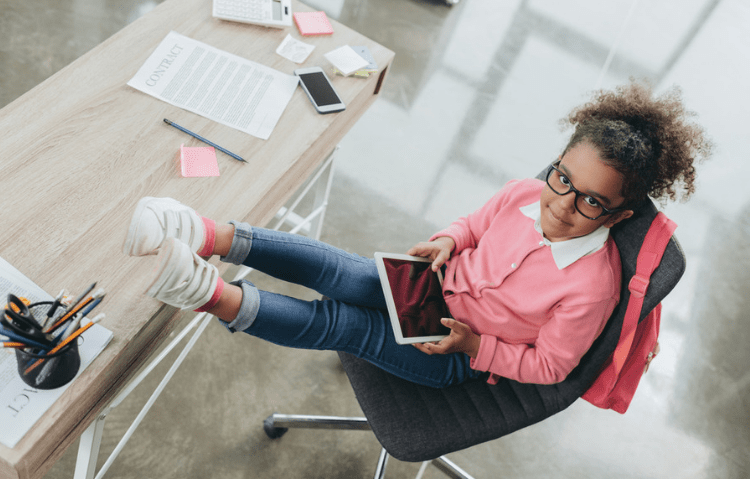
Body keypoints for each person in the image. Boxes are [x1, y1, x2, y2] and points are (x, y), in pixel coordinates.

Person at [122, 80, 711, 389]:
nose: (561, 204)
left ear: (617, 216)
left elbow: (552, 368)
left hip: (455, 355)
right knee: (342, 272)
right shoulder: (525, 194)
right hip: (429, 287)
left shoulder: (592, 288)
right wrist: (450, 242)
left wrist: (474, 347)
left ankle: (201, 293)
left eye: (590, 203)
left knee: (342, 324)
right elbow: (473, 225)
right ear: (555, 162)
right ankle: (200, 231)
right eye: (561, 178)